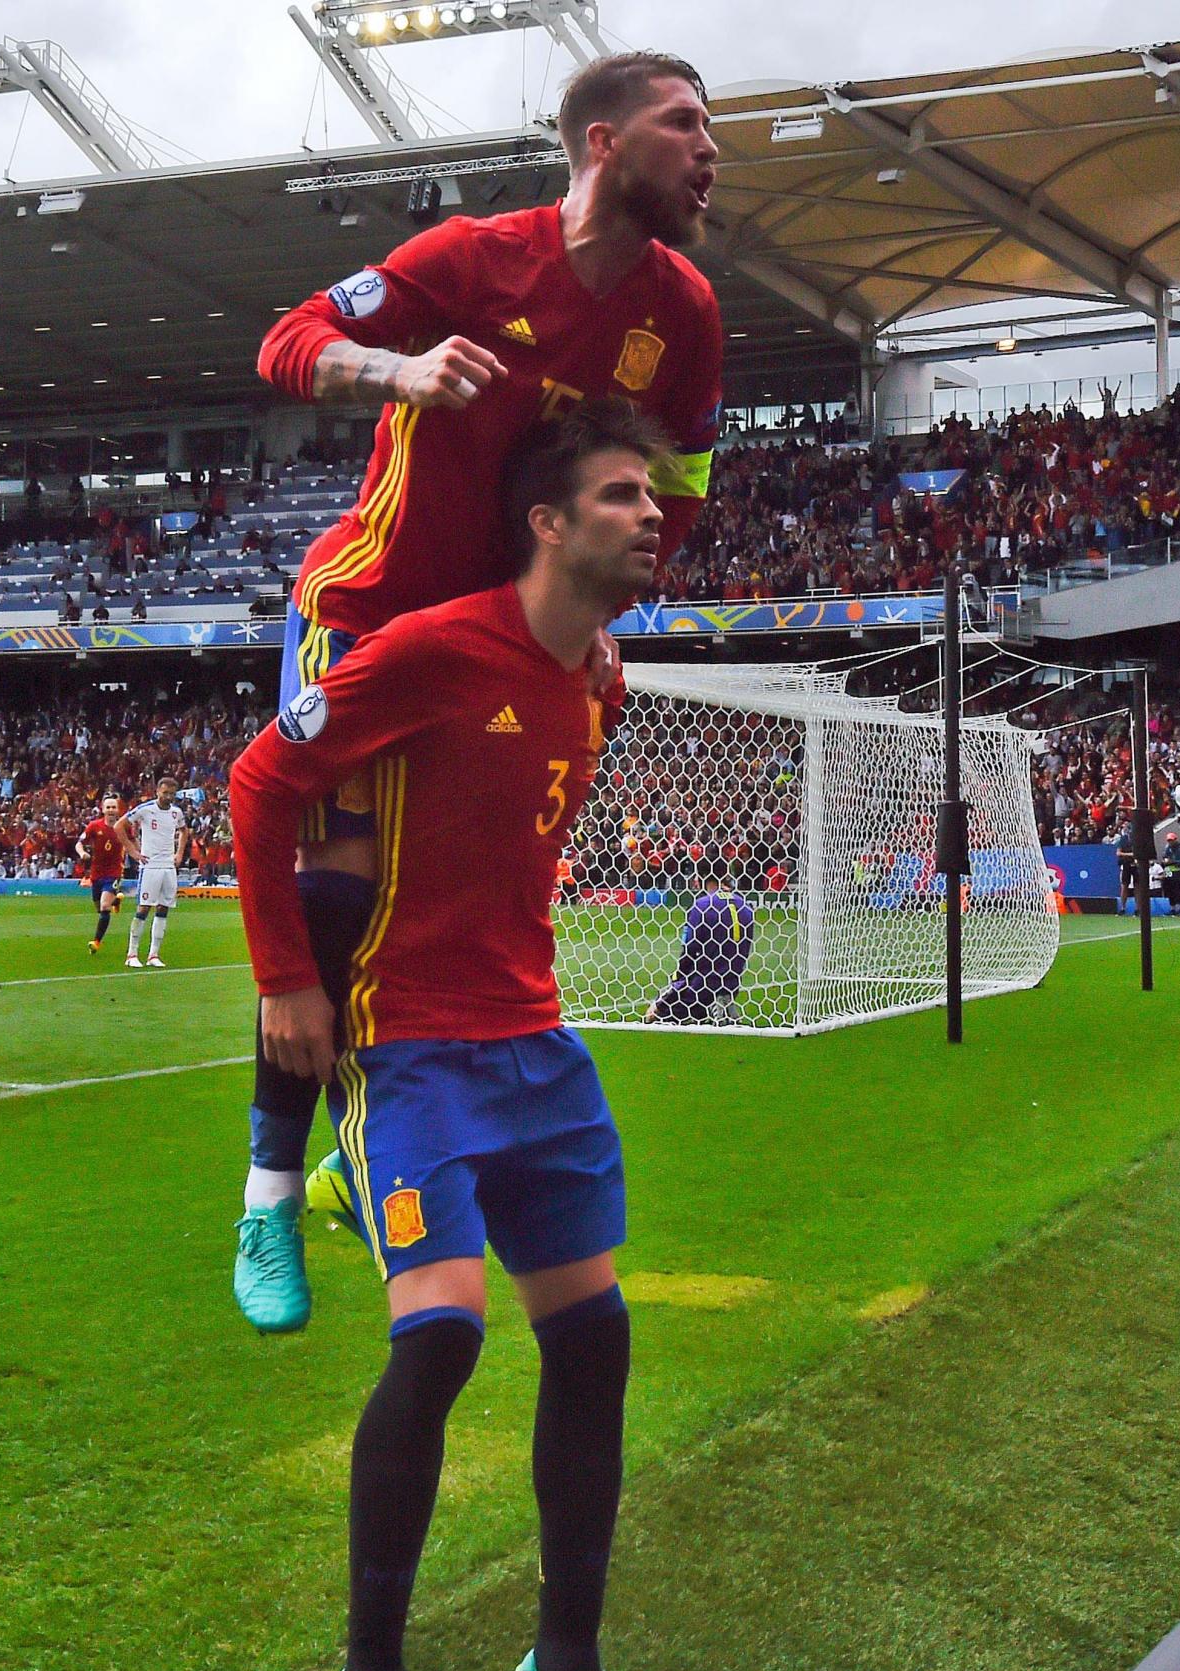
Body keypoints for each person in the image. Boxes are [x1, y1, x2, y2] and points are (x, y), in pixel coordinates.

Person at [229, 403, 689, 1671]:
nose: (652, 509)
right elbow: (261, 782)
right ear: (547, 524)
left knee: (596, 1336)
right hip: (412, 1040)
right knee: (441, 1337)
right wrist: (286, 978)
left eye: (656, 491)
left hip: (538, 1043)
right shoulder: (432, 650)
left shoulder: (595, 681)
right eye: (621, 493)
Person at [233, 49, 725, 1333]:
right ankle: (269, 1194)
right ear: (603, 144)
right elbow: (286, 339)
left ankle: (373, 1157)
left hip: (512, 644)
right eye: (686, 124)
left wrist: (617, 609)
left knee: (462, 903)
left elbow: (682, 484)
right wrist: (392, 372)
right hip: (370, 608)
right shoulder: (469, 258)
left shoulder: (686, 313)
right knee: (332, 896)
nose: (711, 147)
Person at [646, 886, 754, 1023]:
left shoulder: (702, 905)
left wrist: (661, 1001)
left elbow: (690, 951)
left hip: (702, 985)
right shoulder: (744, 904)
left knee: (659, 1018)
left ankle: (711, 1006)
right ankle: (723, 1000)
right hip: (733, 982)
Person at [122, 774, 186, 969]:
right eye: (165, 793)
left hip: (168, 866)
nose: (168, 797)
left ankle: (153, 955)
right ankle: (132, 953)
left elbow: (184, 831)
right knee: (143, 908)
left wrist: (179, 853)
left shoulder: (176, 812)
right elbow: (120, 827)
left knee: (163, 908)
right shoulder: (145, 810)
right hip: (150, 866)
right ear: (157, 791)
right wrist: (133, 852)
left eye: (172, 794)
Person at [79, 794, 128, 954]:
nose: (111, 810)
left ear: (118, 809)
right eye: (108, 807)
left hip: (114, 872)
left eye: (114, 807)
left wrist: (139, 854)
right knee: (100, 908)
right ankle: (116, 901)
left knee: (104, 906)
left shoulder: (124, 826)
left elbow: (133, 841)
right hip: (96, 872)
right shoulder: (94, 826)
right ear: (103, 809)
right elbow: (79, 843)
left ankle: (97, 942)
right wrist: (82, 853)